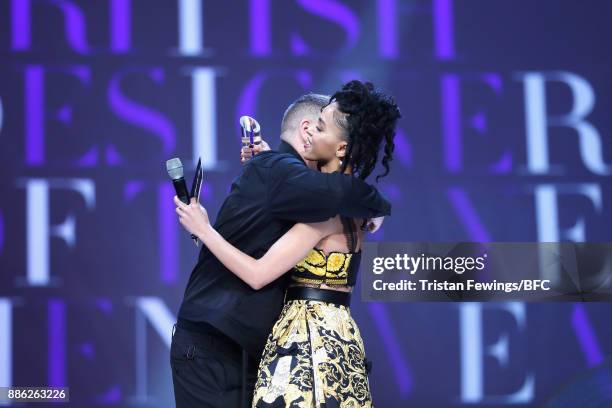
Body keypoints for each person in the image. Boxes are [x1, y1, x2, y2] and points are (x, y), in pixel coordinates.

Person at [175, 80, 401, 407]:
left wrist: (205, 229)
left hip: (304, 351)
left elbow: (257, 273)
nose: (312, 134)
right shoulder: (347, 212)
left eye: (322, 128)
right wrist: (271, 162)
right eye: (314, 126)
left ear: (340, 146)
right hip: (337, 344)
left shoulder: (323, 210)